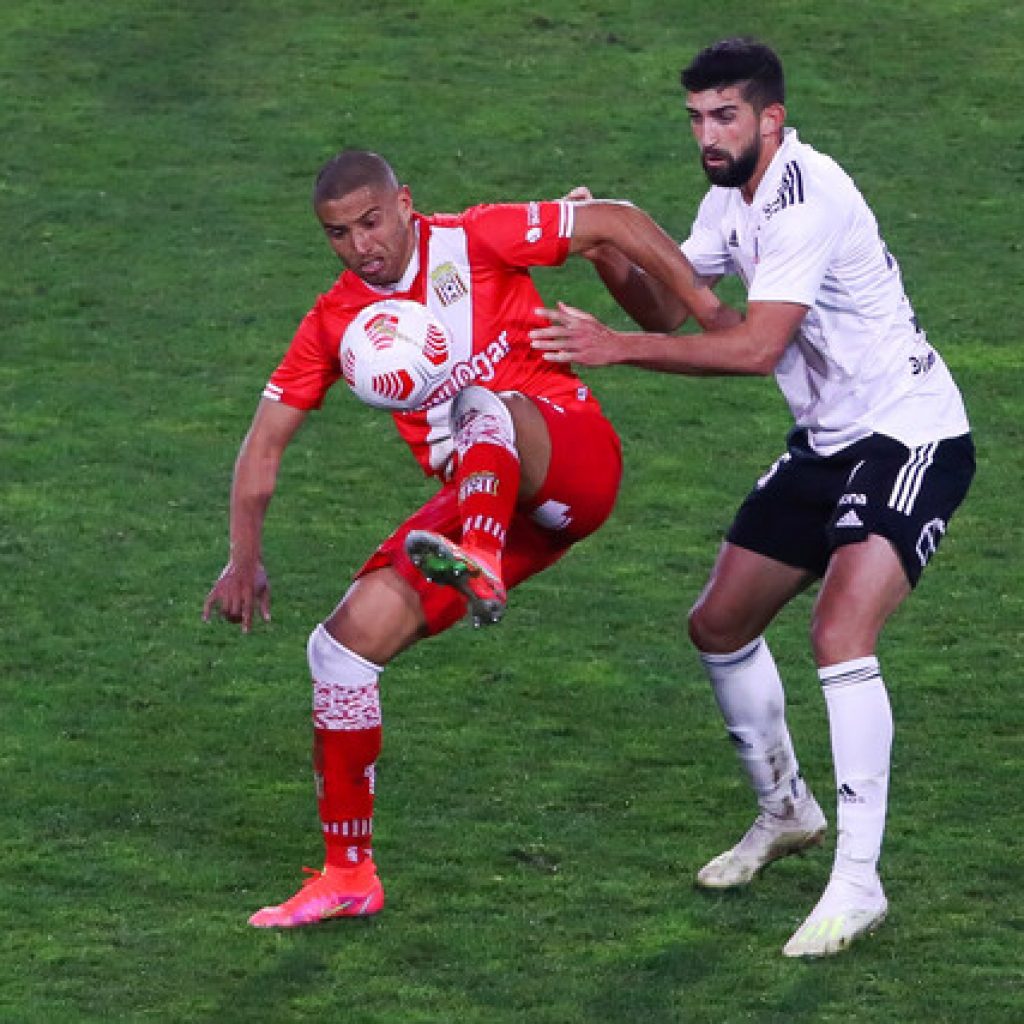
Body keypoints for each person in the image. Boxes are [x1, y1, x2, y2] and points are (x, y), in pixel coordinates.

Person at [202, 148, 730, 928]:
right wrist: (243, 558)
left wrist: (711, 315)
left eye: (371, 222)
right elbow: (265, 442)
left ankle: (476, 554)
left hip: (571, 459)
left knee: (483, 401)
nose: (361, 246)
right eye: (338, 234)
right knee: (339, 652)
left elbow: (611, 220)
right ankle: (349, 875)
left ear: (405, 204)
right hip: (488, 500)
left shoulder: (476, 239)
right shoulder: (333, 321)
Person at [531, 37, 975, 957]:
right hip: (826, 444)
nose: (707, 132)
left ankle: (859, 882)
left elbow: (750, 347)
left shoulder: (807, 197)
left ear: (771, 117)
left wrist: (612, 348)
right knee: (719, 624)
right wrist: (608, 251)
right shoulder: (728, 200)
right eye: (695, 117)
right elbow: (673, 306)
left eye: (724, 115)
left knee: (840, 636)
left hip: (909, 433)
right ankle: (788, 813)